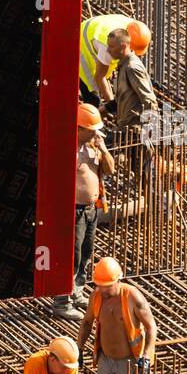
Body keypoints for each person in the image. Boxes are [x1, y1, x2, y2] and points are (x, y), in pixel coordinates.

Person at [52, 103, 116, 321]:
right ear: (78, 128)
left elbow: (110, 169)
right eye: (92, 129)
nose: (96, 133)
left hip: (91, 210)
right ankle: (62, 302)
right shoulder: (66, 149)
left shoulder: (93, 147)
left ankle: (77, 291)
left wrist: (104, 148)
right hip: (73, 211)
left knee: (86, 254)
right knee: (72, 256)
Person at [77, 257, 157, 374]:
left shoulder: (132, 297)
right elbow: (86, 323)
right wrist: (79, 347)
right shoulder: (96, 296)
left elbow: (151, 327)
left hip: (132, 362)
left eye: (107, 286)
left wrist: (146, 356)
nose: (103, 291)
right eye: (100, 286)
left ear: (118, 280)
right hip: (106, 361)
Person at [79, 14, 152, 108]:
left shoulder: (133, 28)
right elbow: (99, 77)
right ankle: (89, 116)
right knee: (92, 94)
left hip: (93, 30)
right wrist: (112, 104)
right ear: (124, 46)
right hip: (81, 45)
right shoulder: (107, 47)